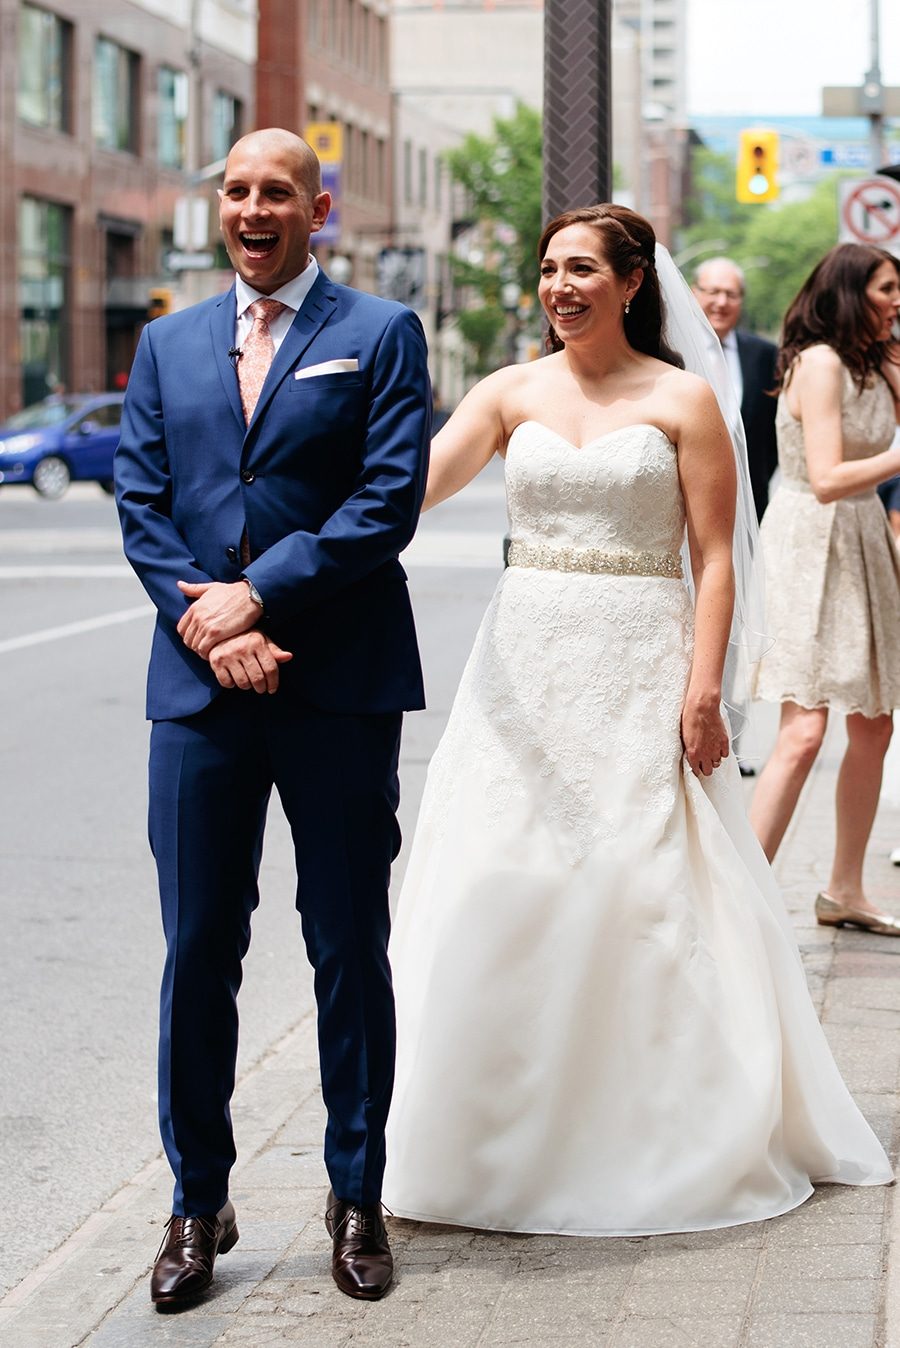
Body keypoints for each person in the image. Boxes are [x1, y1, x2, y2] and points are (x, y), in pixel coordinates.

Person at [382, 205, 891, 1238]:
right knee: (499, 875)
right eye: (547, 269)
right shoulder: (507, 390)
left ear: (627, 283)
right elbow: (407, 492)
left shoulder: (683, 398)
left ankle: (654, 1124)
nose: (559, 286)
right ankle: (485, 1132)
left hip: (641, 663)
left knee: (640, 883)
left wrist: (704, 690)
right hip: (521, 664)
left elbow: (714, 558)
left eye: (581, 269)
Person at [115, 128, 431, 1306]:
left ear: (320, 208)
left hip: (338, 681)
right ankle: (198, 1200)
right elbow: (142, 504)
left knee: (347, 945)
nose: (255, 209)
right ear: (220, 208)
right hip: (201, 689)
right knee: (199, 949)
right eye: (238, 191)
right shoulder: (165, 342)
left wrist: (263, 592)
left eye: (278, 192)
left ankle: (357, 1194)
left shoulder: (382, 333)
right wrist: (214, 624)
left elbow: (386, 499)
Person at [749, 243, 900, 935]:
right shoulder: (819, 363)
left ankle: (844, 888)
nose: (897, 301)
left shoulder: (880, 364)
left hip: (865, 539)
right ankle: (742, 893)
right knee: (804, 729)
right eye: (888, 289)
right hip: (812, 538)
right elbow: (828, 474)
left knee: (874, 722)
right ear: (849, 292)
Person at [692, 257, 778, 524]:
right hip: (687, 505)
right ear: (694, 293)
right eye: (713, 292)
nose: (721, 302)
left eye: (731, 294)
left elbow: (772, 430)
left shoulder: (765, 354)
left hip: (751, 505)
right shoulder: (670, 351)